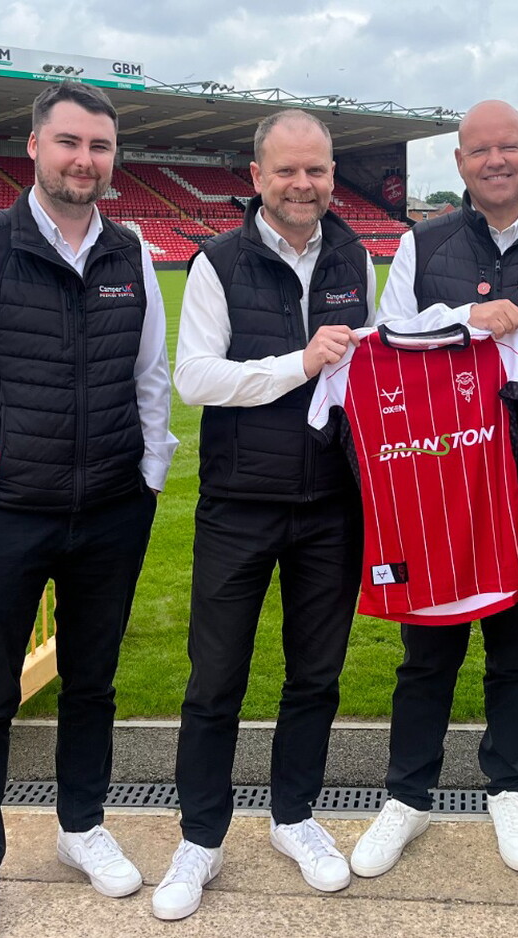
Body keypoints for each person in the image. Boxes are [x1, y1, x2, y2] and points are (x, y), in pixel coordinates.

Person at [0, 80, 177, 938]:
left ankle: (81, 826)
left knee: (92, 684)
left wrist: (149, 482)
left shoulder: (132, 254)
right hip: (4, 515)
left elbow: (150, 382)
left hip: (109, 511)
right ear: (33, 147)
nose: (85, 161)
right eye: (69, 143)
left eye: (100, 147)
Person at [350, 99, 518, 878]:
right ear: (460, 162)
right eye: (479, 151)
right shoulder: (420, 243)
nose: (495, 162)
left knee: (516, 649)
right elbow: (386, 345)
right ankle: (407, 795)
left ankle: (507, 785)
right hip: (436, 484)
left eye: (509, 149)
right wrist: (469, 315)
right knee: (426, 649)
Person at [152, 109, 375, 920]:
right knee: (216, 681)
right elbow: (196, 379)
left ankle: (294, 816)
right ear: (256, 176)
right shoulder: (217, 261)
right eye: (288, 171)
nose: (305, 184)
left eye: (317, 170)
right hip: (239, 504)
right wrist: (300, 363)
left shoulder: (353, 254)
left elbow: (370, 365)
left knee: (314, 676)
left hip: (329, 505)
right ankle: (200, 838)